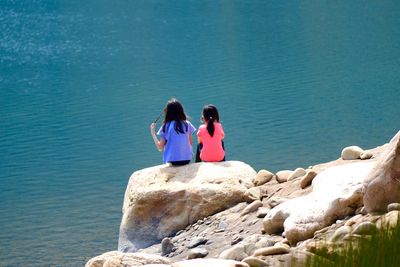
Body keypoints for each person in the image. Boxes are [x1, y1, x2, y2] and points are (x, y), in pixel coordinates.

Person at [150, 98, 196, 166]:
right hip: (187, 159)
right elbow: (190, 144)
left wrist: (153, 133)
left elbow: (160, 148)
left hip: (172, 161)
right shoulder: (187, 124)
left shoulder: (166, 126)